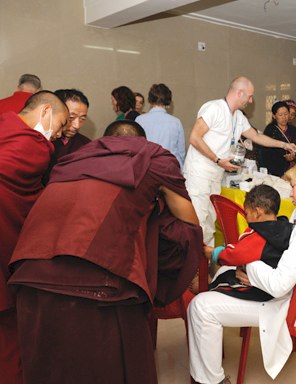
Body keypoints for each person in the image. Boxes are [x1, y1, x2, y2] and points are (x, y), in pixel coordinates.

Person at [9, 120, 201, 384]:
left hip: (29, 271)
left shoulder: (72, 159)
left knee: (50, 367)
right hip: (98, 277)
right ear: (141, 141)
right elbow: (188, 222)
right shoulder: (153, 155)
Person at [187, 159, 296, 384]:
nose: (290, 194)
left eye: (294, 186)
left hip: (290, 303)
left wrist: (249, 263)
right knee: (227, 269)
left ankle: (210, 380)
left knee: (200, 307)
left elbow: (278, 285)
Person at [0, 91, 69, 384]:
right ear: (45, 112)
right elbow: (31, 202)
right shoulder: (36, 148)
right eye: (62, 124)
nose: (59, 135)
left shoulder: (4, 123)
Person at [183, 76, 296, 246]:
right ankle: (193, 267)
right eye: (249, 96)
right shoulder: (214, 108)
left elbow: (256, 136)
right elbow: (194, 137)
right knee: (197, 220)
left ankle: (205, 263)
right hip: (200, 172)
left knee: (210, 220)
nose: (251, 101)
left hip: (216, 173)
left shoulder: (238, 117)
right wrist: (217, 159)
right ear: (239, 93)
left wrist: (284, 145)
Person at [205, 184, 294, 301]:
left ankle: (207, 287)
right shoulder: (283, 228)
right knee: (225, 274)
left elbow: (234, 256)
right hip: (271, 286)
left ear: (257, 212)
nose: (246, 218)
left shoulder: (260, 236)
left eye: (246, 213)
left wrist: (215, 253)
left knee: (221, 282)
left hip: (258, 290)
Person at [43, 89, 92, 185]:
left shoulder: (87, 145)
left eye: (82, 119)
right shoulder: (41, 140)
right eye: (71, 118)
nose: (77, 125)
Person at [136, 83, 186, 167]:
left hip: (147, 168)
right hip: (170, 168)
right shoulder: (176, 122)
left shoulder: (139, 120)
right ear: (168, 100)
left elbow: (136, 148)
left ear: (150, 99)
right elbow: (181, 153)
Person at [261, 101, 296, 177]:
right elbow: (266, 153)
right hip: (275, 169)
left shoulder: (294, 130)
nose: (284, 117)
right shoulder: (270, 130)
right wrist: (284, 157)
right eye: (280, 115)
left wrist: (294, 156)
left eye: (286, 114)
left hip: (293, 170)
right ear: (274, 116)